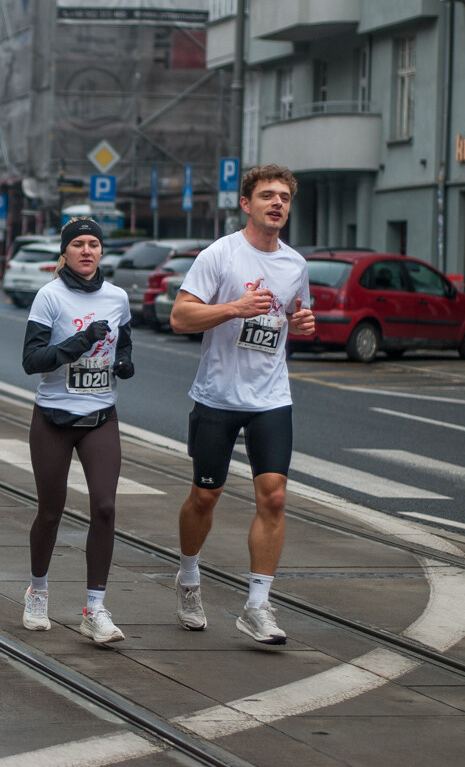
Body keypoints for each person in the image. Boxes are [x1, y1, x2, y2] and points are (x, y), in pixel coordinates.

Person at [168, 163, 314, 645]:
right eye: (268, 195)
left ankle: (257, 605)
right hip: (218, 396)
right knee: (205, 496)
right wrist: (233, 308)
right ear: (246, 203)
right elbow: (180, 317)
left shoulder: (295, 265)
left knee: (274, 495)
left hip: (271, 397)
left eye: (285, 198)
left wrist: (303, 325)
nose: (277, 204)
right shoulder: (220, 255)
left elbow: (293, 316)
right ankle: (189, 577)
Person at [20, 218, 134, 643]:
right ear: (64, 253)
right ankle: (38, 590)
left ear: (102, 252)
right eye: (78, 245)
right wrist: (79, 342)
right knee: (51, 511)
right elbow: (32, 360)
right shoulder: (49, 297)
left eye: (94, 244)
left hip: (101, 414)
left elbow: (123, 343)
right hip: (53, 416)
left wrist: (124, 362)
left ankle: (95, 607)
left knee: (105, 507)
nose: (87, 251)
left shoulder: (118, 297)